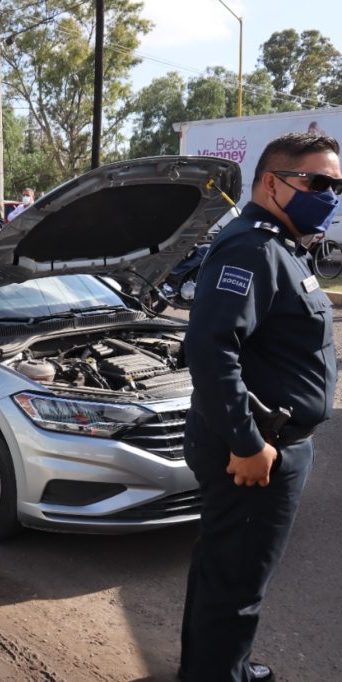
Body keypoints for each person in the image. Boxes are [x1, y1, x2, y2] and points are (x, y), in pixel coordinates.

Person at [179, 132, 340, 682]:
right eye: (318, 182)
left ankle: (215, 668)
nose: (330, 194)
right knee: (237, 584)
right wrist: (249, 444)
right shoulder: (253, 247)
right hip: (255, 452)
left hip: (272, 444)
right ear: (272, 182)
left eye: (337, 185)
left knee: (223, 572)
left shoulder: (284, 246)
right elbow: (209, 348)